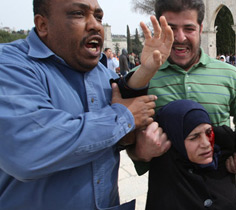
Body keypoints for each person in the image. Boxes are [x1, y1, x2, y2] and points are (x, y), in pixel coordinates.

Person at [0, 0, 173, 208]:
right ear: (43, 25)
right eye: (78, 14)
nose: (95, 25)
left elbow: (125, 136)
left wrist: (145, 71)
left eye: (98, 17)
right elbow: (28, 151)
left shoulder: (103, 75)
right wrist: (122, 117)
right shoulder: (11, 67)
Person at [143, 41, 236, 210]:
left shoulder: (218, 142)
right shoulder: (165, 160)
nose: (206, 143)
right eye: (194, 137)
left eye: (208, 132)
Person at [131, 0, 236, 176]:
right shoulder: (140, 78)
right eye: (171, 29)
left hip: (220, 188)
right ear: (159, 28)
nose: (180, 37)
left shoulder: (230, 75)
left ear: (201, 28)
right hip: (167, 194)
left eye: (189, 29)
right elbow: (125, 141)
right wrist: (140, 153)